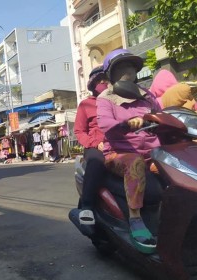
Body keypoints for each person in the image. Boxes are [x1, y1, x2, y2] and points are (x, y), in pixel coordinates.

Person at [97, 49, 161, 253]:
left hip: (153, 153)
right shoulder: (105, 98)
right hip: (119, 154)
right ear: (111, 73)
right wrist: (126, 123)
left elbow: (161, 115)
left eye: (131, 66)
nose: (128, 71)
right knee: (134, 161)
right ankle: (135, 219)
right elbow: (105, 124)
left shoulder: (147, 95)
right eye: (122, 67)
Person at [74, 65, 108, 225]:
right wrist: (95, 143)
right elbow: (79, 131)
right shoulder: (86, 104)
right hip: (96, 147)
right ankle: (87, 205)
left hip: (119, 144)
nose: (104, 83)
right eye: (100, 81)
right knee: (96, 163)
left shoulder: (119, 101)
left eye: (106, 80)